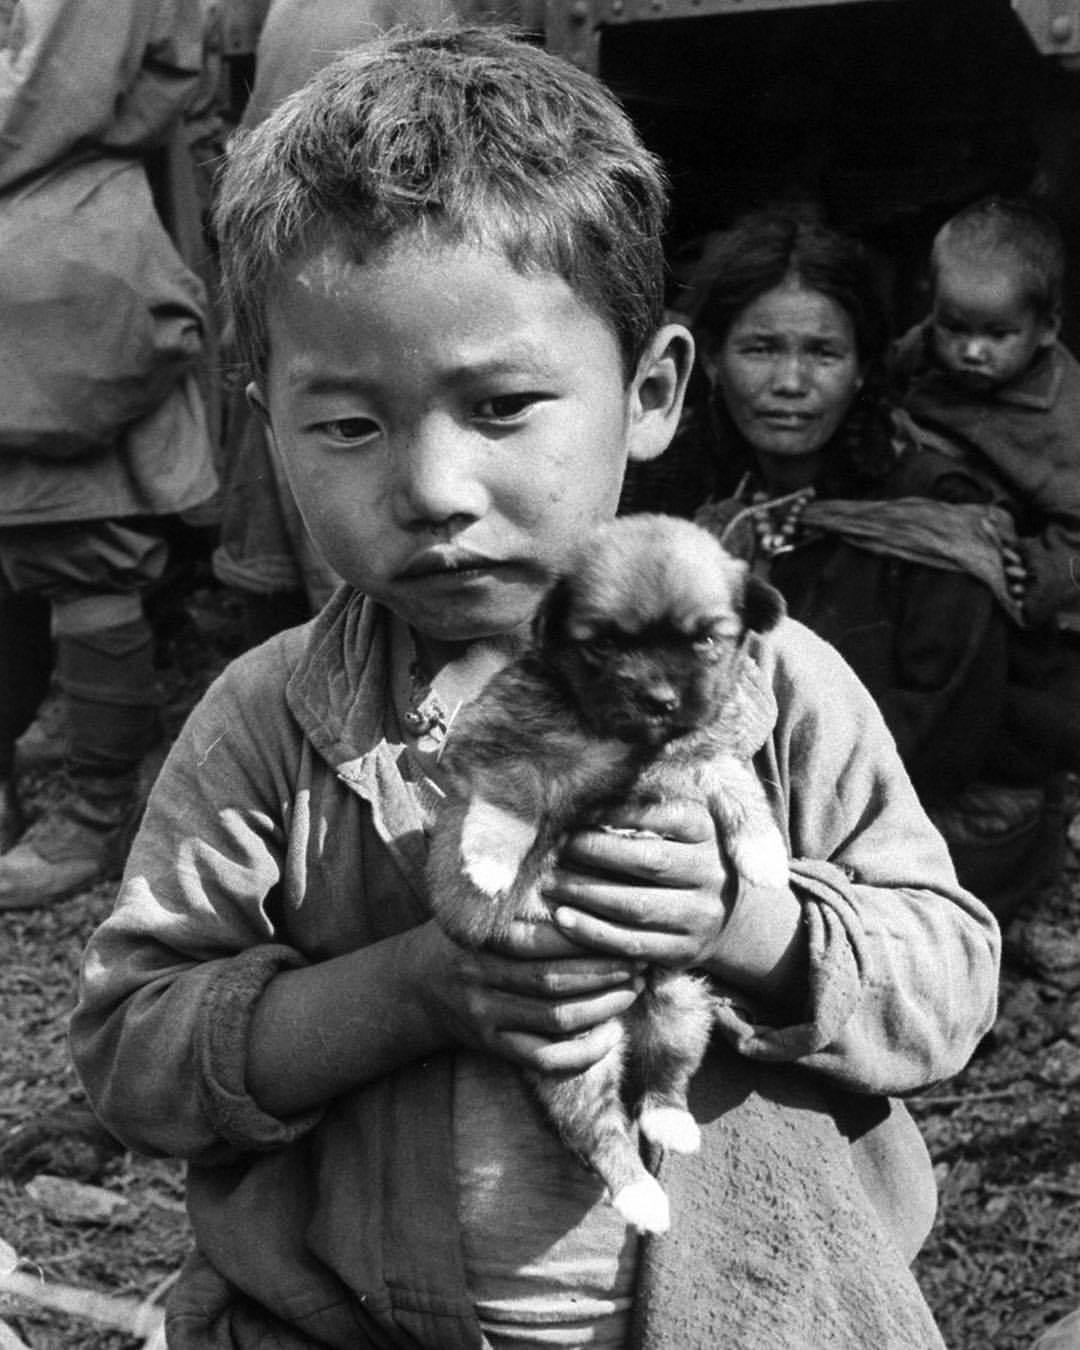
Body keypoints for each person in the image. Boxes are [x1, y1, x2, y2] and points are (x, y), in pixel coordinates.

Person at [70, 30, 999, 1349]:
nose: (435, 491)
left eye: (502, 407)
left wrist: (756, 930)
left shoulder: (774, 684)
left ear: (653, 390)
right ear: (263, 422)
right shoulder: (271, 722)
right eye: (347, 424)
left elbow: (949, 980)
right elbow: (134, 1058)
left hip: (765, 1318)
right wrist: (406, 990)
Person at [669, 210, 1064, 916]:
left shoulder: (934, 511)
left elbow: (941, 740)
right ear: (714, 356)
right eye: (760, 348)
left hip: (914, 830)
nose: (791, 381)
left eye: (823, 352)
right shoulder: (689, 492)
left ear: (861, 371)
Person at [0, 0, 218, 907]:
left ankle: (95, 810)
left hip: (61, 224)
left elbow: (55, 91)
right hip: (44, 208)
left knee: (81, 541)